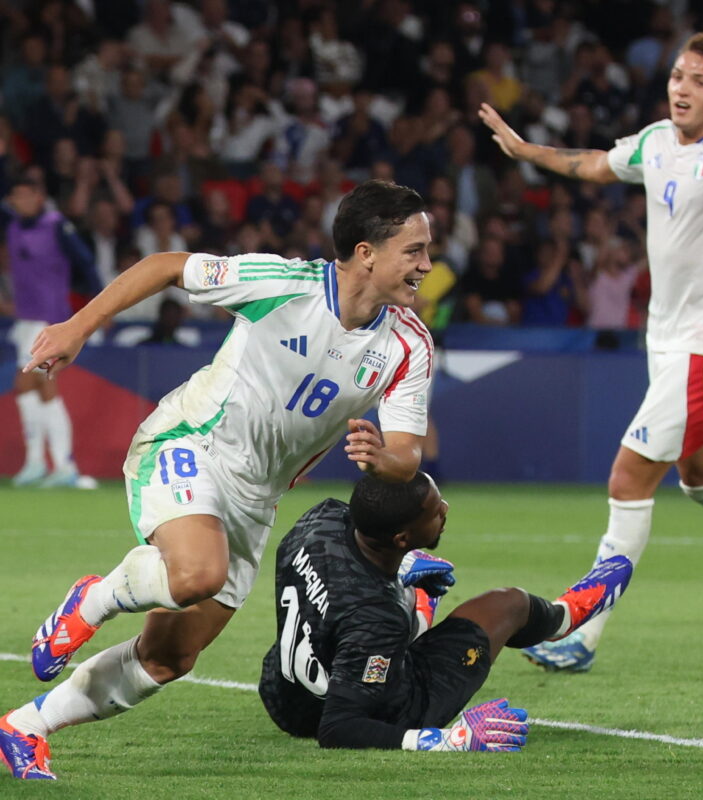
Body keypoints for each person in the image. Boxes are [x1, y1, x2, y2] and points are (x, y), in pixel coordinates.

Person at [0, 180, 435, 780]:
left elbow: (408, 453)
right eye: (413, 250)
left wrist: (383, 457)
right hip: (192, 441)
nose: (427, 265)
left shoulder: (409, 344)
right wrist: (77, 327)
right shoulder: (284, 283)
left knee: (169, 657)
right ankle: (94, 597)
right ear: (366, 251)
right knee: (196, 574)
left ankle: (24, 726)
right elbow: (165, 266)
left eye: (426, 251)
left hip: (258, 498)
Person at [479, 32, 703, 672]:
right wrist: (523, 150)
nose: (683, 87)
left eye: (700, 81)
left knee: (628, 476)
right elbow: (596, 163)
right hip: (668, 342)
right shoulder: (654, 141)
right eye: (679, 75)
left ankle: (584, 631)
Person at [258, 471, 632, 751]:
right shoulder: (375, 616)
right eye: (435, 512)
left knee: (375, 618)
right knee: (509, 604)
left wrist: (398, 570)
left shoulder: (318, 521)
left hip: (282, 693)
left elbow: (347, 595)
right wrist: (449, 739)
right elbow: (338, 729)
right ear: (401, 538)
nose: (445, 509)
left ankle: (411, 592)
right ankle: (566, 617)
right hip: (372, 708)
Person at [4, 178, 100, 488]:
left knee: (42, 383)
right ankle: (38, 462)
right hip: (26, 319)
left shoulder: (56, 224)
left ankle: (63, 465)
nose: (20, 201)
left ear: (39, 196)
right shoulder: (13, 226)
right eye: (15, 196)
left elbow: (85, 262)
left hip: (49, 319)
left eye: (25, 195)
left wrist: (100, 305)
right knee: (26, 386)